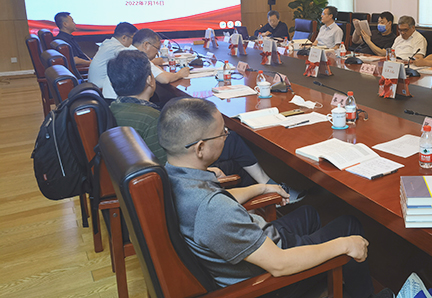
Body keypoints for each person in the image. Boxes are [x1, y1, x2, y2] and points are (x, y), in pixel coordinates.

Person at [159, 97, 391, 298]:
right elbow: (280, 265)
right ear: (200, 148)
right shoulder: (212, 210)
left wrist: (262, 188)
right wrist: (344, 245)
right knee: (349, 228)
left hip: (255, 245)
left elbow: (222, 198)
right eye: (222, 133)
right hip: (267, 279)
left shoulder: (173, 175)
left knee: (309, 213)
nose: (226, 137)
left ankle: (331, 278)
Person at [107, 50, 280, 189]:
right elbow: (171, 168)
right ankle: (266, 188)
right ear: (149, 80)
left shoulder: (113, 107)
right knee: (231, 139)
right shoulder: (151, 119)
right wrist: (210, 170)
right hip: (182, 180)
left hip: (136, 177)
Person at [88, 22, 138, 100]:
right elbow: (135, 58)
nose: (134, 43)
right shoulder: (114, 47)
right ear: (124, 38)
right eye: (133, 39)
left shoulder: (109, 43)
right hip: (101, 89)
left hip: (95, 86)